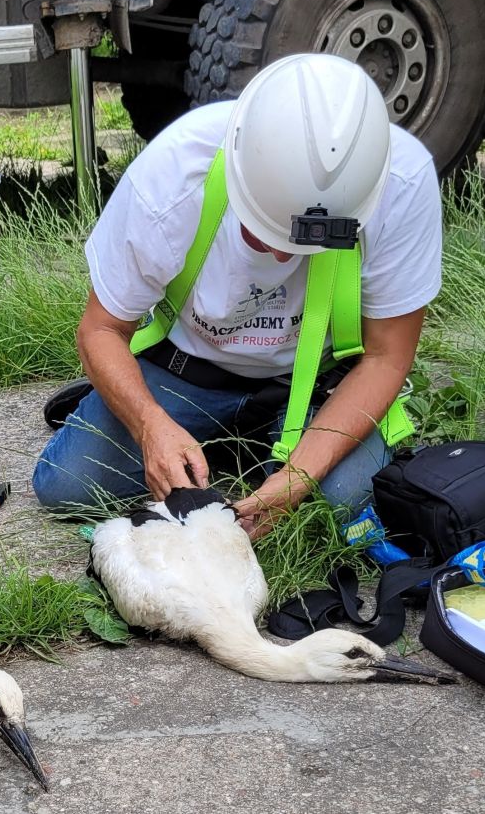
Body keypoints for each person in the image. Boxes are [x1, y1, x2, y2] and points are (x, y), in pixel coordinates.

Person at [33, 53, 443, 537]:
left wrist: (293, 482)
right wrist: (149, 426)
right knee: (67, 486)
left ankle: (243, 449)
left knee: (343, 505)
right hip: (189, 371)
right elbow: (101, 329)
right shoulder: (176, 169)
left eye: (305, 245)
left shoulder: (402, 180)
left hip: (318, 386)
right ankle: (204, 434)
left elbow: (385, 358)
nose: (280, 256)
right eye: (259, 230)